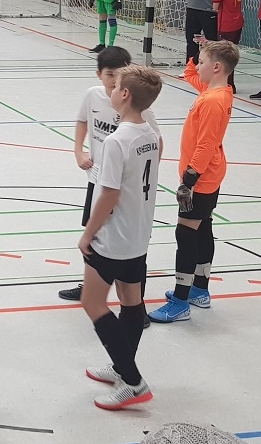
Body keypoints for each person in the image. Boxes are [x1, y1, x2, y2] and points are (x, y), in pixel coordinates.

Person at [78, 64, 162, 410]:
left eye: (115, 86)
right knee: (130, 300)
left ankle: (132, 380)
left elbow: (109, 195)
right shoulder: (150, 134)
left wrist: (88, 234)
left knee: (92, 302)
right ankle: (122, 367)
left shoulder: (116, 141)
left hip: (113, 238)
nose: (110, 89)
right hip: (138, 233)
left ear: (124, 95)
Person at [61, 46, 162, 328]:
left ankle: (133, 306)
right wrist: (79, 151)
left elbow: (156, 143)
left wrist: (143, 172)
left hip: (117, 189)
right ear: (99, 75)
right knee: (97, 240)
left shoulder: (136, 119)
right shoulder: (94, 96)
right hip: (98, 178)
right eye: (110, 76)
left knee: (121, 248)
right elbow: (82, 121)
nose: (114, 81)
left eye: (119, 77)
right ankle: (94, 285)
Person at [149, 41, 238, 324]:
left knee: (186, 234)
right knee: (203, 228)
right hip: (210, 174)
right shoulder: (217, 92)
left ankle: (180, 300)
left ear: (217, 67)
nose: (197, 67)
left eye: (202, 62)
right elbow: (192, 76)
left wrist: (189, 179)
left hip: (201, 178)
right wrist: (197, 52)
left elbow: (206, 143)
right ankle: (200, 289)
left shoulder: (211, 101)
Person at [207, 0, 244, 93]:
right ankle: (230, 84)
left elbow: (215, 7)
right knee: (231, 54)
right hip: (237, 22)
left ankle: (227, 85)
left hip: (226, 24)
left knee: (224, 56)